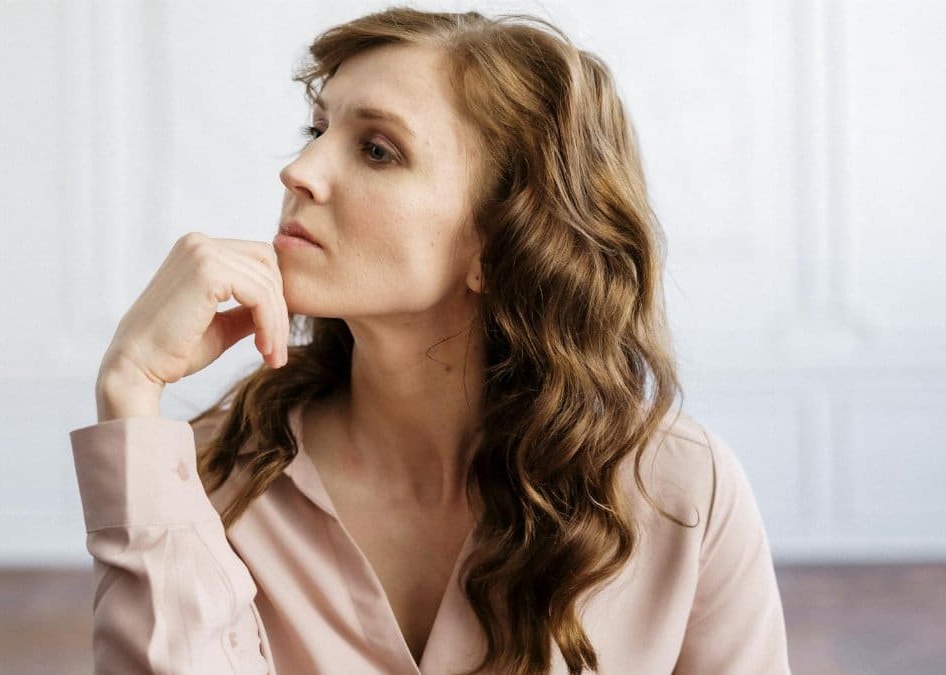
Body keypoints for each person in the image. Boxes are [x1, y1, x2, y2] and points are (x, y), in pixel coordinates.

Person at [69, 7, 790, 675]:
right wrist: (131, 388)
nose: (300, 171)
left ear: (502, 242)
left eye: (378, 150)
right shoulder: (211, 475)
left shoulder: (679, 493)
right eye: (316, 131)